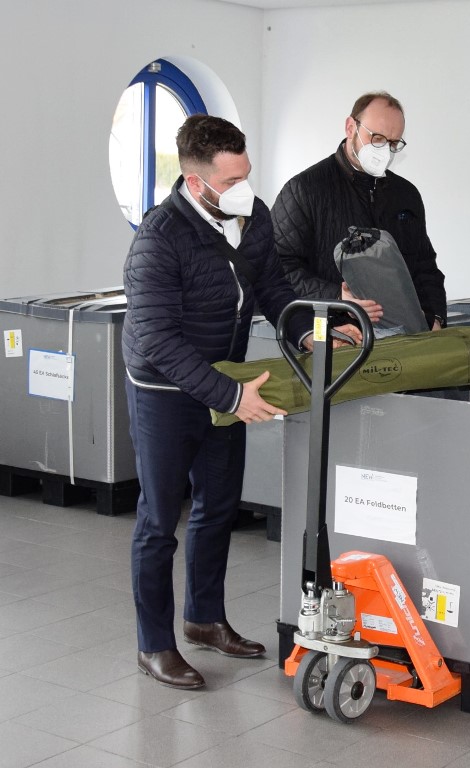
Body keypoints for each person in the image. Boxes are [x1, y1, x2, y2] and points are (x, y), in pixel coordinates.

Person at [122, 115, 344, 690]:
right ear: (196, 182)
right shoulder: (158, 238)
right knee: (158, 520)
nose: (245, 187)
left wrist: (306, 333)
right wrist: (230, 396)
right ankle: (154, 645)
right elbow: (157, 339)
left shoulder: (253, 216)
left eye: (246, 174)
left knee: (218, 506)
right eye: (232, 180)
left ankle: (204, 618)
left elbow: (272, 289)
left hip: (227, 380)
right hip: (165, 392)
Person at [271, 91, 447, 330]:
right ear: (350, 127)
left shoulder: (406, 194)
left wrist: (435, 319)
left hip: (403, 336)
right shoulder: (304, 189)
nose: (384, 150)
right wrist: (338, 297)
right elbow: (278, 268)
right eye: (377, 138)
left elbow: (425, 266)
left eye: (393, 144)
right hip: (337, 334)